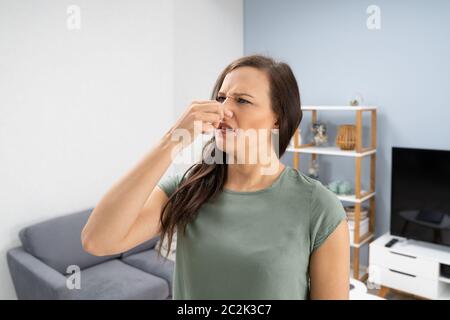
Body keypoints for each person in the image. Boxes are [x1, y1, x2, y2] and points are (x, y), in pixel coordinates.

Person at [81, 54, 350, 299]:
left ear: (277, 119)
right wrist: (172, 140)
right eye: (221, 98)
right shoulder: (188, 189)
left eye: (242, 100)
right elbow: (98, 240)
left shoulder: (319, 207)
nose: (224, 110)